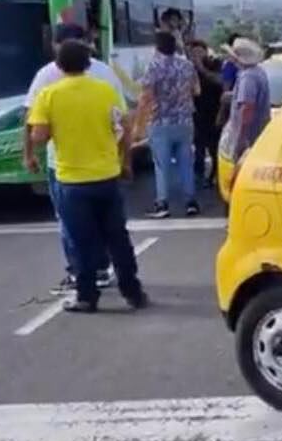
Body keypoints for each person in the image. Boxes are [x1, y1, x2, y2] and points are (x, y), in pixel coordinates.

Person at [26, 39, 147, 313]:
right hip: (106, 176)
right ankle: (133, 291)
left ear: (58, 65)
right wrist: (125, 162)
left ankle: (87, 295)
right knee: (118, 237)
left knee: (81, 241)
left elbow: (40, 135)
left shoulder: (49, 95)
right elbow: (123, 128)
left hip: (72, 180)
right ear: (88, 64)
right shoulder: (104, 91)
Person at [141, 30, 199, 218]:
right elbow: (196, 90)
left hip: (160, 122)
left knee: (161, 165)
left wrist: (138, 123)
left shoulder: (153, 66)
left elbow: (147, 97)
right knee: (185, 163)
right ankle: (190, 202)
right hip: (184, 120)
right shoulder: (187, 65)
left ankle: (162, 203)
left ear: (157, 47)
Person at [218, 37, 272, 178]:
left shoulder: (248, 77)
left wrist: (241, 138)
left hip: (249, 136)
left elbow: (247, 107)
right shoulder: (258, 72)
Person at [188, 39, 223, 188]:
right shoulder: (189, 69)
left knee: (214, 147)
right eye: (192, 52)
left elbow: (219, 81)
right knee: (199, 146)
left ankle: (216, 175)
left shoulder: (215, 64)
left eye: (198, 51)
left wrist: (201, 67)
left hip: (215, 112)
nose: (195, 55)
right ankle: (199, 177)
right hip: (198, 113)